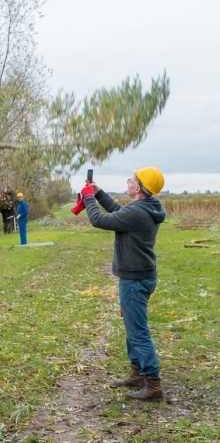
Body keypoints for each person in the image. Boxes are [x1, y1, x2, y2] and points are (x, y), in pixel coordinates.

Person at [81, 167, 166, 401]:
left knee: (138, 332)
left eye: (131, 180)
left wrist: (87, 196)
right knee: (133, 328)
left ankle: (153, 385)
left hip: (134, 280)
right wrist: (98, 194)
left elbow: (99, 219)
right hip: (140, 276)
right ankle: (137, 373)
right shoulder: (146, 208)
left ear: (137, 189)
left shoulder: (138, 213)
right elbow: (120, 212)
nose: (128, 181)